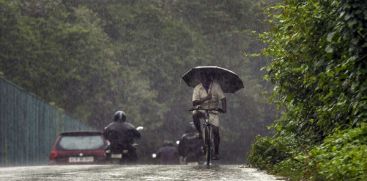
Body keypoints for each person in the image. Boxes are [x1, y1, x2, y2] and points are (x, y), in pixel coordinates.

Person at [192, 72, 226, 160]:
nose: (206, 82)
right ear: (201, 80)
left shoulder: (216, 86)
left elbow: (223, 98)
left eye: (208, 80)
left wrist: (224, 109)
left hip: (213, 111)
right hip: (202, 110)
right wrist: (206, 98)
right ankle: (199, 132)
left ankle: (216, 152)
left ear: (210, 79)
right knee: (195, 114)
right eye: (204, 80)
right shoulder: (197, 88)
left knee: (216, 131)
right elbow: (194, 102)